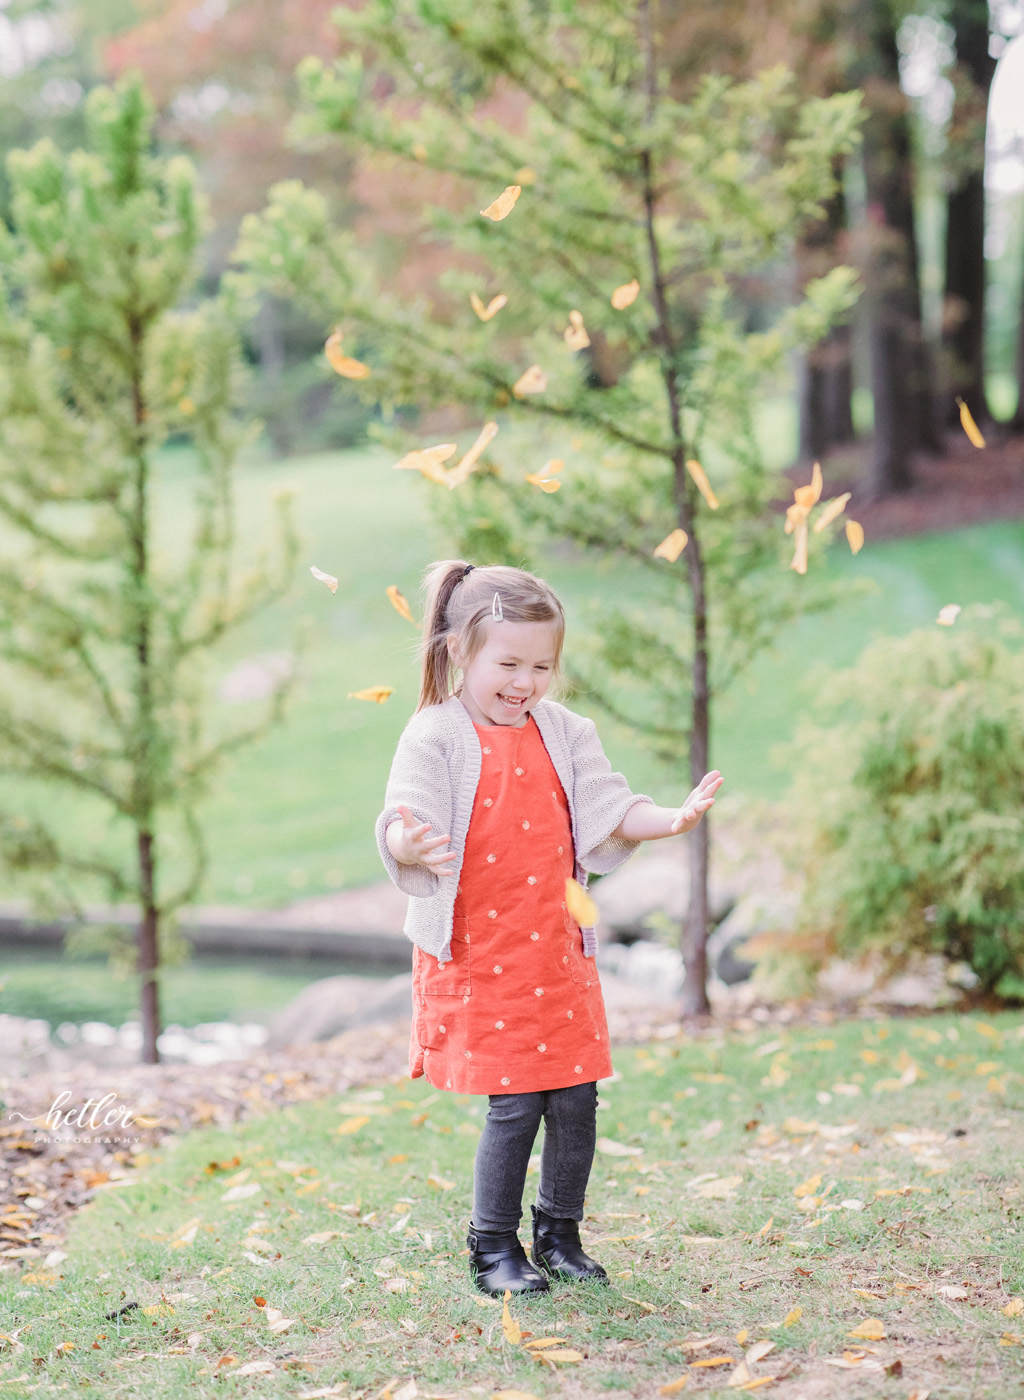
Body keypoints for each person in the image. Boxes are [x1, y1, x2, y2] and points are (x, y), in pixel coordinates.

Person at [375, 560, 722, 1297]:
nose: (525, 681)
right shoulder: (433, 736)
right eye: (508, 663)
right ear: (456, 651)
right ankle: (491, 1245)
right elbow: (405, 815)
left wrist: (671, 819)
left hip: (554, 951)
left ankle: (559, 1234)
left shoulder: (565, 731)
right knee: (516, 1099)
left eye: (542, 665)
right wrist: (407, 844)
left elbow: (608, 807)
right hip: (480, 953)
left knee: (574, 1095)